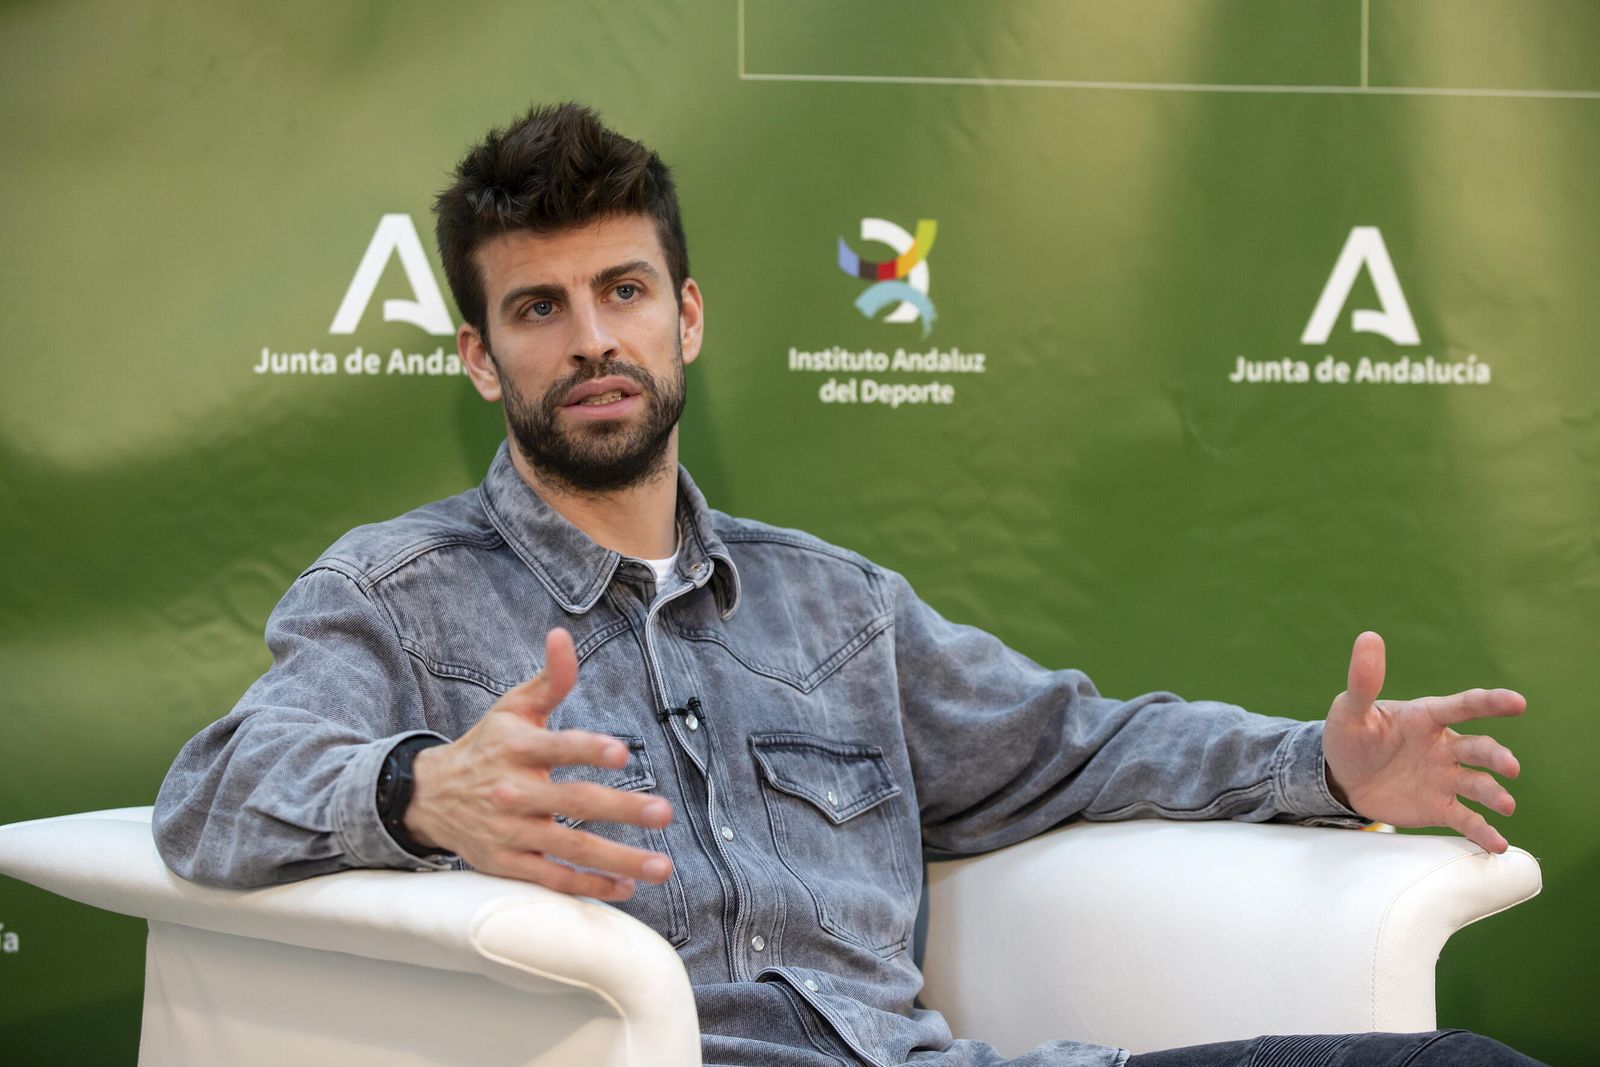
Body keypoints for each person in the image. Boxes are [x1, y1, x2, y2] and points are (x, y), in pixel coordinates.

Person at [153, 103, 1540, 1067]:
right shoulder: (398, 593)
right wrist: (417, 789)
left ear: (685, 315)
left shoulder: (839, 610)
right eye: (538, 309)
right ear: (479, 358)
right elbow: (211, 795)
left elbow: (1078, 744)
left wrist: (1325, 766)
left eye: (623, 291)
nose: (592, 340)